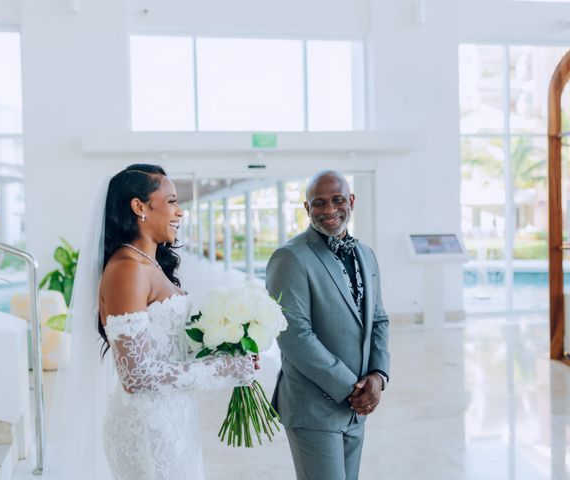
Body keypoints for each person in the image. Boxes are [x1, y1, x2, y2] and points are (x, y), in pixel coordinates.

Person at [47, 164, 257, 480]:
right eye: (171, 201)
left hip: (172, 418)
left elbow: (167, 348)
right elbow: (136, 375)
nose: (180, 212)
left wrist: (227, 354)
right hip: (146, 427)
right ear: (140, 207)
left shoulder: (151, 264)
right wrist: (221, 369)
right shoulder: (126, 269)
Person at [266, 170, 390, 480]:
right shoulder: (290, 257)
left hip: (357, 405)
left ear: (351, 201)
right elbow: (294, 335)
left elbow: (378, 319)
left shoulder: (366, 255)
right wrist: (353, 388)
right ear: (307, 209)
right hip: (314, 407)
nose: (329, 210)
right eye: (318, 203)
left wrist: (377, 376)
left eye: (337, 200)